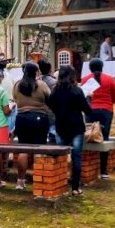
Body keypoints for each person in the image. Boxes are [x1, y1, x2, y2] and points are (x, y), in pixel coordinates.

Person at [49, 65, 92, 196]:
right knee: (76, 157)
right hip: (76, 127)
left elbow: (51, 105)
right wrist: (89, 97)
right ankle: (75, 187)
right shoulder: (77, 91)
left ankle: (59, 185)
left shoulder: (55, 90)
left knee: (60, 157)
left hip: (61, 126)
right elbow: (87, 109)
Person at [12, 61, 51, 190]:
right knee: (39, 149)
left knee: (23, 149)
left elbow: (15, 98)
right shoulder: (41, 85)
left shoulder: (17, 85)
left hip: (22, 118)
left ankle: (20, 181)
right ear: (36, 72)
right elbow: (49, 99)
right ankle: (39, 180)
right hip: (39, 119)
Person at [81, 58, 115, 178]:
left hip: (90, 110)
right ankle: (103, 170)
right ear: (102, 67)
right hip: (106, 111)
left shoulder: (85, 79)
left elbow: (84, 96)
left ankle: (89, 167)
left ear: (90, 68)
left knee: (89, 135)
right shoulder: (109, 79)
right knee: (104, 138)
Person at [38, 59, 57, 143]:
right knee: (53, 136)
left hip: (39, 112)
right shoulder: (54, 82)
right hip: (51, 113)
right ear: (50, 69)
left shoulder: (36, 81)